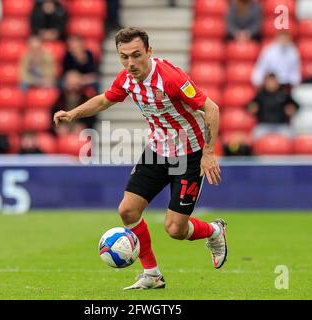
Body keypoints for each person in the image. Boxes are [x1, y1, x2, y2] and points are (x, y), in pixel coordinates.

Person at [53, 27, 227, 290]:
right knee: (127, 210)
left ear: (149, 51)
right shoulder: (126, 79)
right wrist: (72, 114)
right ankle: (152, 274)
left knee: (175, 230)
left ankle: (214, 231)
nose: (130, 63)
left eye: (136, 55)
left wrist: (209, 152)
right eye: (124, 57)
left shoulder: (170, 78)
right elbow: (104, 100)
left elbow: (211, 108)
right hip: (157, 152)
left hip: (190, 155)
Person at [247, 73, 299, 139]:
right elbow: (249, 106)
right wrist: (252, 108)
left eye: (273, 81)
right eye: (269, 81)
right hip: (263, 126)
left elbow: (295, 106)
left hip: (281, 126)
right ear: (265, 83)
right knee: (255, 136)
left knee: (290, 136)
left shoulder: (284, 95)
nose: (271, 84)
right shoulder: (260, 96)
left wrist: (292, 109)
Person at [51, 70, 96, 136]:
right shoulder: (59, 98)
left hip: (81, 131)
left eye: (75, 84)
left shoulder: (86, 97)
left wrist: (84, 126)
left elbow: (91, 117)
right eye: (70, 84)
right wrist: (58, 127)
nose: (73, 87)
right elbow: (53, 115)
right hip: (63, 130)